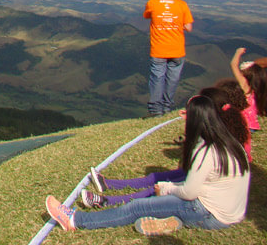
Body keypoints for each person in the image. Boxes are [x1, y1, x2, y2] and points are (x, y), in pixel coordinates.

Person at [46, 94, 250, 235]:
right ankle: (171, 221)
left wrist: (166, 188)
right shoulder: (231, 143)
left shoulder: (207, 151)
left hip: (208, 213)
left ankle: (75, 220)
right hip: (230, 214)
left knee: (137, 208)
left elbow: (189, 192)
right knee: (158, 203)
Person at [80, 85, 251, 209]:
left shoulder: (215, 144)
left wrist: (167, 188)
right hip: (211, 183)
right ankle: (110, 185)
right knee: (165, 177)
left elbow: (192, 180)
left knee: (161, 186)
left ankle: (109, 201)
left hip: (210, 194)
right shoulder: (224, 132)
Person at [143, 0, 194, 116]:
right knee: (172, 79)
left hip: (158, 49)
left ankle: (156, 110)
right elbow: (189, 27)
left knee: (157, 78)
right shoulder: (182, 4)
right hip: (177, 49)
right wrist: (177, 25)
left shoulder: (152, 3)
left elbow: (147, 15)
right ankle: (167, 107)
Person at [230, 47, 266, 132]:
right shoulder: (257, 87)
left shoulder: (244, 85)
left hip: (243, 123)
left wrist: (237, 53)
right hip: (253, 124)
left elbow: (233, 65)